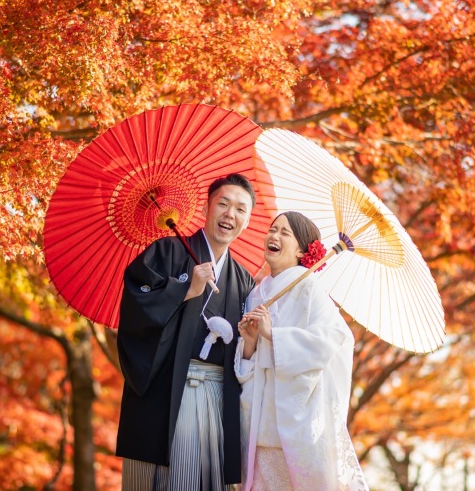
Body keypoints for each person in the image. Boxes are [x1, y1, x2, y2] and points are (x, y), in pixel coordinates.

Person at [116, 173, 257, 491]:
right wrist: (184, 290)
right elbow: (135, 308)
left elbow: (245, 354)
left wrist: (250, 341)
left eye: (240, 209)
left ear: (247, 221)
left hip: (218, 397)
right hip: (167, 390)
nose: (230, 214)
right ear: (206, 208)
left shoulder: (244, 280)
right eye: (223, 204)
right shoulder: (166, 252)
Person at [235, 211, 368, 491]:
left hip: (293, 423)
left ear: (301, 251)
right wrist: (249, 343)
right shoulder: (256, 293)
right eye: (273, 230)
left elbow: (333, 338)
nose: (274, 236)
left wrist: (274, 335)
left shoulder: (309, 287)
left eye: (285, 233)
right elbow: (251, 357)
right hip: (258, 418)